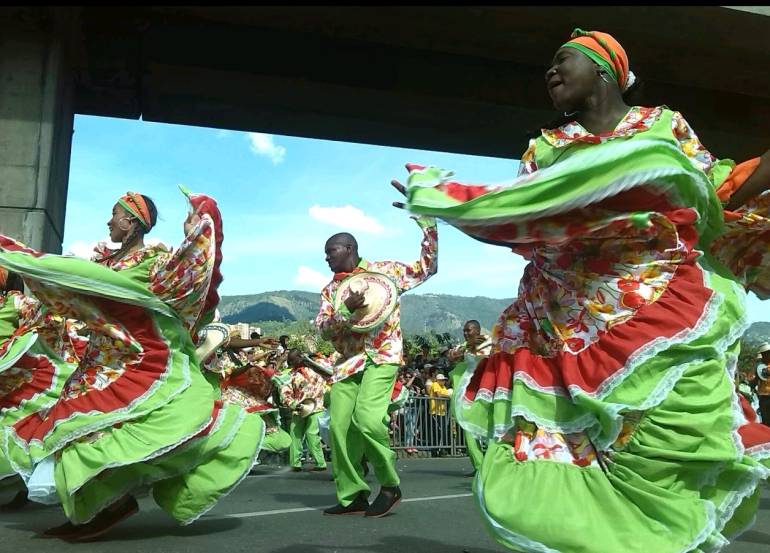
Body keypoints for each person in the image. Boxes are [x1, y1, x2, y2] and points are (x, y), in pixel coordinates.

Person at [398, 28, 770, 553]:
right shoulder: (545, 149)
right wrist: (454, 206)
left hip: (658, 307)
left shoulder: (662, 126)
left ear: (603, 69)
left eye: (562, 60)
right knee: (568, 456)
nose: (550, 72)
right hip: (563, 321)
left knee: (668, 439)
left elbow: (712, 188)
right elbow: (527, 217)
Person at [0, 188, 263, 541]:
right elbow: (76, 285)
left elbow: (182, 280)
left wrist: (194, 231)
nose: (109, 221)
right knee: (76, 429)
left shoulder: (153, 260)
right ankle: (97, 507)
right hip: (98, 364)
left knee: (116, 428)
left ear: (131, 221)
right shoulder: (104, 264)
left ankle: (110, 504)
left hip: (138, 360)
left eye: (115, 214)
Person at [315, 195, 437, 517]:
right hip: (347, 363)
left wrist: (428, 225)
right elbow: (323, 331)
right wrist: (344, 310)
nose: (326, 258)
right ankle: (353, 495)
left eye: (331, 251)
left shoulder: (386, 272)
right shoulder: (330, 291)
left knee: (368, 420)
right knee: (340, 428)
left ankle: (390, 485)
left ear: (349, 249)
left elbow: (428, 268)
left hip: (383, 355)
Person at [448, 320, 492, 476]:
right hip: (469, 389)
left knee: (491, 426)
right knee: (466, 425)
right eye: (464, 331)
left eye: (469, 330)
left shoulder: (488, 341)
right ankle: (479, 466)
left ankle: (493, 464)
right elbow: (451, 356)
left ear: (477, 330)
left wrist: (474, 346)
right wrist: (466, 347)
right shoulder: (464, 345)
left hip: (487, 389)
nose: (466, 333)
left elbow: (494, 356)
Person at [279, 349, 328, 472]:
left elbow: (330, 370)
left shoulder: (318, 366)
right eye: (290, 361)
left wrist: (312, 359)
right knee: (295, 434)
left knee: (312, 434)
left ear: (300, 357)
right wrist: (292, 404)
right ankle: (295, 464)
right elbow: (285, 391)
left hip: (317, 407)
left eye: (293, 360)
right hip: (299, 408)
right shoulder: (290, 375)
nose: (291, 363)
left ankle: (320, 463)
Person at [427, 373, 451, 456]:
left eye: (444, 380)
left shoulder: (444, 387)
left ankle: (441, 449)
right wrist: (449, 396)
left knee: (443, 431)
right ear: (438, 380)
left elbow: (445, 395)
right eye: (442, 380)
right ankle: (435, 450)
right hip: (435, 412)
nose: (443, 381)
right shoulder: (435, 384)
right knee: (437, 431)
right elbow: (439, 395)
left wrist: (447, 396)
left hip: (442, 412)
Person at [756, 343, 770, 425]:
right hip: (763, 397)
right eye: (763, 354)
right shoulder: (760, 367)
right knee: (765, 421)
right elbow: (756, 380)